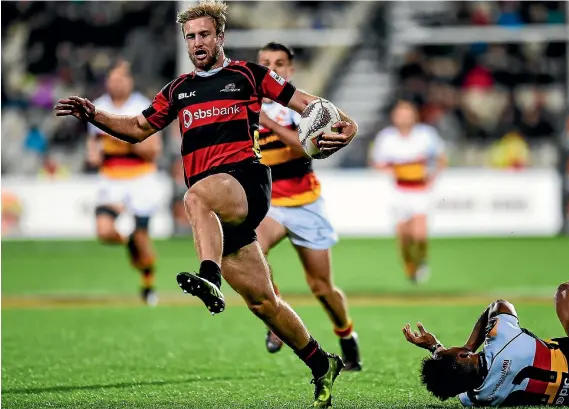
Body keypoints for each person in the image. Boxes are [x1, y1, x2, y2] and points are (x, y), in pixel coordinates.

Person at [54, 1, 358, 406]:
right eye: (190, 36)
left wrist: (347, 127)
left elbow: (312, 106)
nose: (197, 42)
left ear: (220, 36)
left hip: (247, 182)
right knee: (263, 301)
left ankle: (209, 276)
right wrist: (94, 114)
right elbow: (137, 128)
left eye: (204, 34)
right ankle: (322, 363)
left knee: (194, 196)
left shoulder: (249, 75)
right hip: (216, 206)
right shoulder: (178, 90)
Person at [403, 251, 569, 406]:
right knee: (567, 292)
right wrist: (468, 345)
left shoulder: (478, 399)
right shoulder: (503, 339)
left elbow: (456, 380)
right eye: (454, 351)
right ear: (463, 355)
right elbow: (499, 305)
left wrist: (437, 350)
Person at [254, 42, 361, 371]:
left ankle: (346, 335)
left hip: (305, 203)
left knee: (321, 287)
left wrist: (267, 123)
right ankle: (277, 319)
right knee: (252, 250)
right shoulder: (247, 105)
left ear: (291, 71)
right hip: (268, 203)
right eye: (265, 64)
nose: (273, 69)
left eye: (280, 63)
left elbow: (305, 149)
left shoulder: (304, 108)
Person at [86, 60, 162, 306]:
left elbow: (153, 151)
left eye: (121, 79)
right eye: (112, 79)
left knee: (143, 239)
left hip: (140, 178)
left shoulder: (142, 107)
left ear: (130, 82)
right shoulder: (98, 107)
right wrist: (94, 154)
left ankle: (148, 286)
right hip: (111, 179)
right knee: (104, 231)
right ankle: (128, 242)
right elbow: (94, 147)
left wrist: (124, 135)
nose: (116, 83)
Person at [369, 99, 446, 283]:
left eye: (407, 113)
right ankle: (410, 265)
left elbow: (442, 158)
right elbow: (376, 162)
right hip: (399, 191)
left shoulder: (426, 135)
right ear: (394, 117)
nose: (403, 117)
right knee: (404, 236)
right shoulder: (386, 137)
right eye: (400, 114)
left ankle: (421, 261)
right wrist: (389, 170)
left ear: (414, 116)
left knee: (419, 234)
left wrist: (433, 175)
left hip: (420, 190)